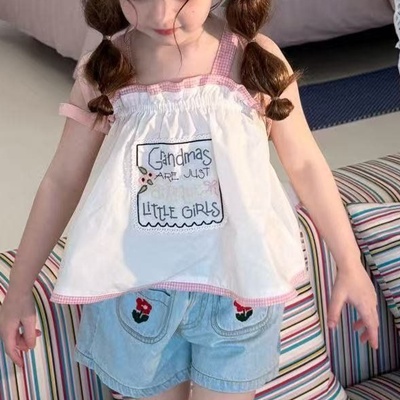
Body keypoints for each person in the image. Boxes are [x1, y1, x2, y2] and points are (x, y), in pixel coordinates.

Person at [0, 1, 379, 399]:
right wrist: (19, 289)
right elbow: (62, 181)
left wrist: (349, 263)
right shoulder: (106, 68)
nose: (161, 15)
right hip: (139, 297)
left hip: (237, 295)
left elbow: (306, 165)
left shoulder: (254, 58)